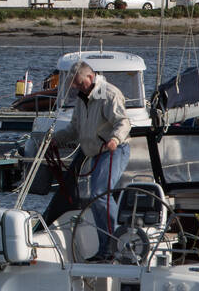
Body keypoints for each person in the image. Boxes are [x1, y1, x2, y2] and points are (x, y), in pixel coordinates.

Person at [43, 61, 132, 255]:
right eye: (74, 85)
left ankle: (116, 243)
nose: (76, 88)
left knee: (100, 194)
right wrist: (55, 140)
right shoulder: (82, 98)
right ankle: (105, 247)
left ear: (90, 78)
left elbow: (123, 122)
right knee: (97, 196)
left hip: (114, 151)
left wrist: (115, 140)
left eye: (79, 83)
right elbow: (74, 129)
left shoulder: (109, 94)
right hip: (96, 153)